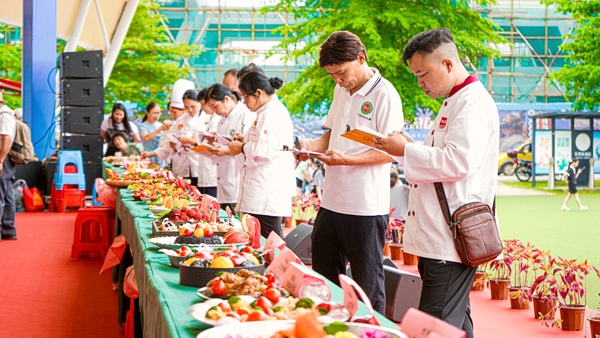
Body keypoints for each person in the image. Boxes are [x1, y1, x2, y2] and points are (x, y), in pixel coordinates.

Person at [373, 28, 499, 337]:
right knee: (454, 319)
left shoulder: (472, 103)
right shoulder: (455, 100)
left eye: (422, 73)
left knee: (434, 326)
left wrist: (405, 150)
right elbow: (442, 156)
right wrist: (407, 147)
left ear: (447, 64)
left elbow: (459, 160)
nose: (420, 83)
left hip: (451, 239)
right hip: (441, 236)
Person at [297, 31, 403, 314]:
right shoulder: (340, 91)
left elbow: (391, 152)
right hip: (332, 201)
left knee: (367, 284)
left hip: (365, 206)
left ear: (361, 57)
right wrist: (309, 146)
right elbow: (328, 139)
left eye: (341, 72)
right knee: (324, 275)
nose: (338, 80)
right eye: (332, 75)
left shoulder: (385, 94)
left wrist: (346, 161)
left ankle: (372, 330)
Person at [210, 71, 295, 239]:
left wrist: (241, 147)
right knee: (255, 242)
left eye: (245, 96)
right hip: (257, 191)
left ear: (258, 93)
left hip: (266, 194)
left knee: (269, 243)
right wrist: (244, 139)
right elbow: (260, 143)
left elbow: (264, 151)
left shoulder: (273, 113)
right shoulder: (263, 113)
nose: (244, 102)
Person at [202, 83, 253, 211]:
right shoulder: (221, 121)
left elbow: (247, 146)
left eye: (215, 106)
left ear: (226, 99)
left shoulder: (244, 115)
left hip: (237, 181)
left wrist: (226, 150)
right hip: (223, 180)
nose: (214, 111)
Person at [176, 89, 219, 196]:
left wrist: (191, 142)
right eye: (186, 107)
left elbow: (209, 144)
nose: (190, 110)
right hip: (188, 162)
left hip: (205, 165)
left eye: (193, 106)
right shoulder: (181, 120)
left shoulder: (210, 117)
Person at [141, 80, 193, 164]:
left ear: (184, 110)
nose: (172, 115)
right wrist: (149, 154)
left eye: (174, 112)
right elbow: (165, 148)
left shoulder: (197, 121)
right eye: (170, 112)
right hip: (175, 164)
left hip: (192, 163)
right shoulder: (173, 125)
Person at [0, 93, 17, 241]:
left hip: (3, 158)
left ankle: (6, 229)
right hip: (6, 159)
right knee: (7, 194)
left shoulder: (4, 116)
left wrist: (0, 160)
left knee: (1, 195)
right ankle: (8, 229)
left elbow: (6, 138)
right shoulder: (8, 114)